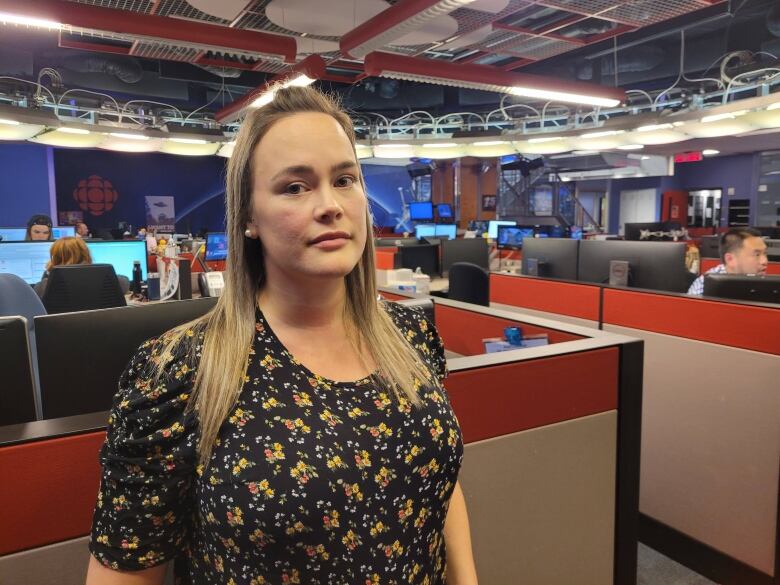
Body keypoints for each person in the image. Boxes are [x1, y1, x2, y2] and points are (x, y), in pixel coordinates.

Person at [86, 86, 478, 585]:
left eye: (344, 179)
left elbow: (438, 484)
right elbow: (126, 570)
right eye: (295, 186)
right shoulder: (180, 370)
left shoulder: (411, 337)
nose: (330, 205)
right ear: (248, 216)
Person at [34, 237, 129, 297]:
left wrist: (49, 272)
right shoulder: (105, 279)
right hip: (100, 326)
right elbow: (125, 281)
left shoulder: (43, 286)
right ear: (86, 254)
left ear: (55, 258)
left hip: (62, 328)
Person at [687, 227, 769, 295]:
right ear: (730, 259)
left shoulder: (758, 281)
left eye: (765, 253)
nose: (764, 261)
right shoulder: (705, 288)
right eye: (757, 254)